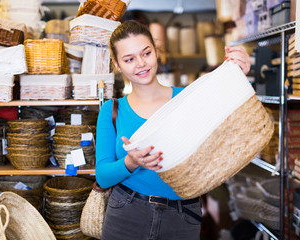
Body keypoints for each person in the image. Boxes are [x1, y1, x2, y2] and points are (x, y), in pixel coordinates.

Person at [95, 20, 251, 240]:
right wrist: (131, 162)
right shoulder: (112, 110)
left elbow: (229, 121)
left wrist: (239, 74)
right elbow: (102, 177)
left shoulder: (188, 98)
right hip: (126, 214)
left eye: (146, 53)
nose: (140, 63)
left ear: (156, 51)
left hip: (181, 216)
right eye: (129, 59)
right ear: (117, 64)